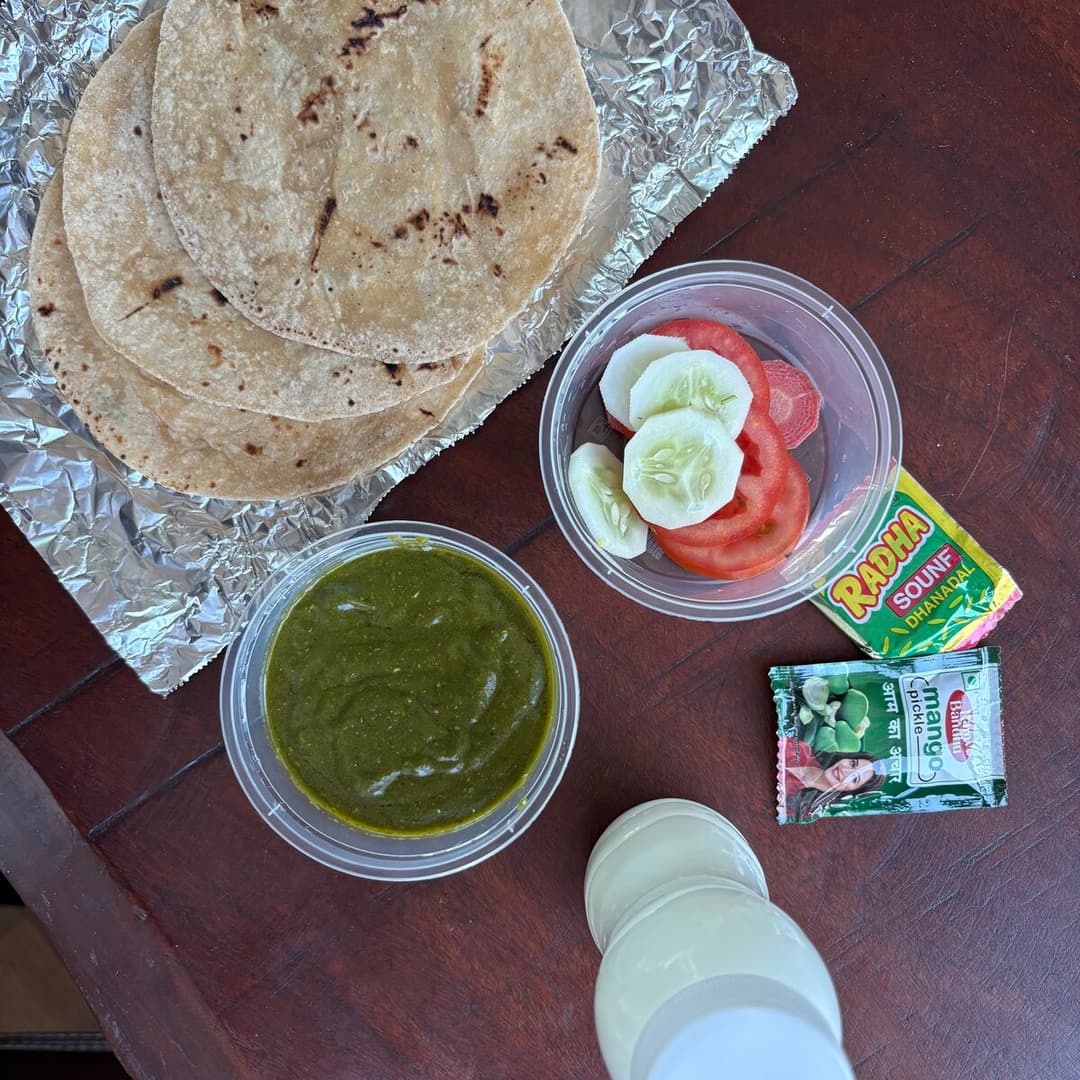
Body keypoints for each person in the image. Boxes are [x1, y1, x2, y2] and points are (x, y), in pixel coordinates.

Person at [781, 738, 886, 821]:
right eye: (853, 763)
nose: (845, 770)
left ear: (853, 792)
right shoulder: (803, 749)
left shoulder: (807, 808)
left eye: (854, 778)